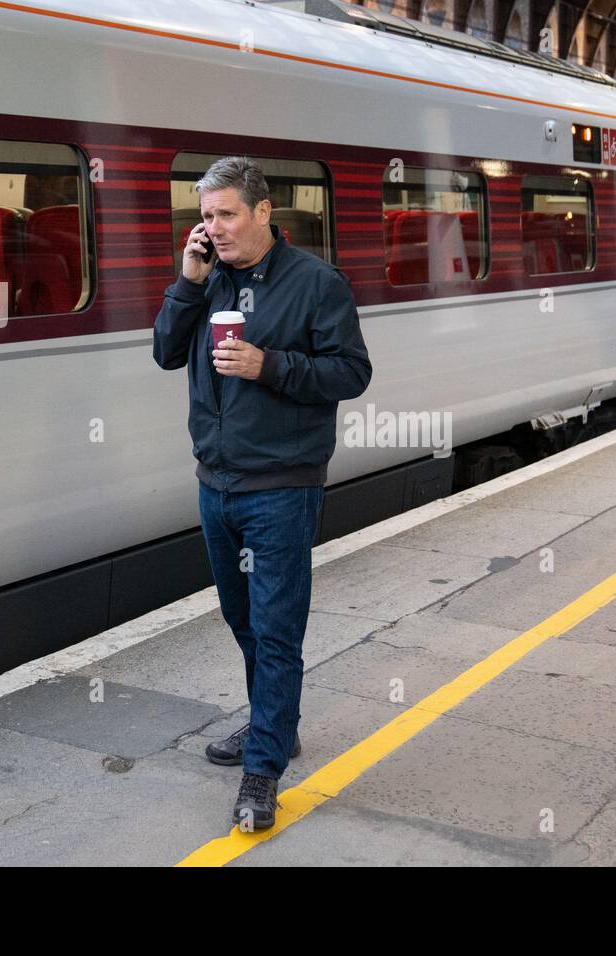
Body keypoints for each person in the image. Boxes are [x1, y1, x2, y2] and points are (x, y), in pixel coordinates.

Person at [153, 156, 372, 830]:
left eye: (225, 215)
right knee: (243, 619)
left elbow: (351, 373)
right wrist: (188, 283)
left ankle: (264, 767)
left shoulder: (315, 284)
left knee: (277, 630)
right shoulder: (209, 279)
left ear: (263, 212)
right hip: (216, 483)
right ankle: (275, 727)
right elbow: (165, 352)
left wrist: (267, 365)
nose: (212, 228)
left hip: (280, 486)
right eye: (205, 216)